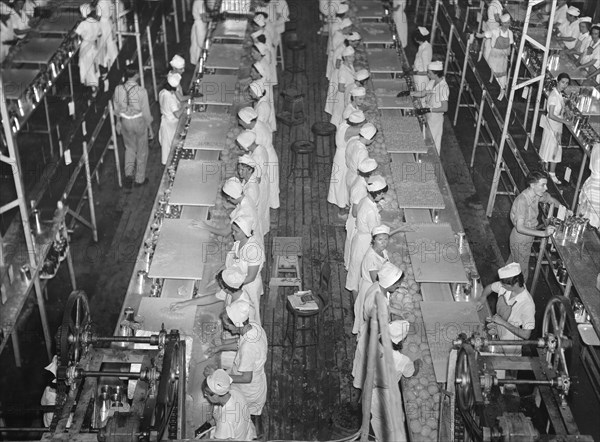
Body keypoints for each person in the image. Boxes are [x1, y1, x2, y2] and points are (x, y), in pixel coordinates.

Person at [207, 301, 268, 433]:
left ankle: (255, 435)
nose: (226, 327)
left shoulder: (249, 348)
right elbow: (240, 342)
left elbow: (246, 378)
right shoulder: (254, 327)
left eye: (227, 324)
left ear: (237, 324)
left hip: (248, 390)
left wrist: (218, 375)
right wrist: (219, 348)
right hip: (255, 381)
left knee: (245, 416)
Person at [352, 262, 404, 390]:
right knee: (368, 375)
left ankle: (360, 398)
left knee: (363, 373)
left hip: (370, 333)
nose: (399, 286)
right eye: (396, 284)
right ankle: (361, 404)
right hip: (372, 341)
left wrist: (395, 311)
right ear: (388, 283)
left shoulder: (377, 287)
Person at [507, 171, 560, 282]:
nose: (546, 188)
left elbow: (550, 200)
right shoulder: (522, 200)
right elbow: (520, 228)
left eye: (546, 184)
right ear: (532, 185)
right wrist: (543, 233)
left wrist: (564, 208)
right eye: (542, 185)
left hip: (528, 237)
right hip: (520, 239)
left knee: (511, 266)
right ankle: (518, 297)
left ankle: (502, 291)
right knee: (521, 275)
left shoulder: (536, 194)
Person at [476, 263, 535, 356]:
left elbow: (526, 334)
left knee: (506, 366)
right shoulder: (505, 287)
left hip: (510, 344)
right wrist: (483, 297)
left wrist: (503, 323)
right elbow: (490, 287)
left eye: (504, 285)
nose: (502, 286)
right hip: (497, 332)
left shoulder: (527, 304)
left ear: (515, 284)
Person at [371, 320, 415, 441]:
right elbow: (410, 373)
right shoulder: (402, 360)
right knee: (395, 427)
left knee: (378, 420)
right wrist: (417, 364)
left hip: (371, 389)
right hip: (387, 393)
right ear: (401, 341)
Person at [346, 175, 388, 296]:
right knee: (357, 278)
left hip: (360, 239)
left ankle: (357, 306)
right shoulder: (370, 210)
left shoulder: (365, 200)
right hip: (364, 243)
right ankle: (357, 308)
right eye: (381, 194)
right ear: (376, 193)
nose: (383, 196)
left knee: (356, 273)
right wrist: (400, 229)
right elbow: (377, 234)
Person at [169, 268, 259, 323]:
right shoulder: (232, 291)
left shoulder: (244, 307)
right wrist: (184, 303)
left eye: (221, 286)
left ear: (225, 288)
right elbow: (212, 298)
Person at [113, 67, 153, 187]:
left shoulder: (118, 89)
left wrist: (118, 122)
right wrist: (150, 127)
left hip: (125, 121)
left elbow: (116, 109)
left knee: (129, 149)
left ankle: (128, 174)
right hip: (139, 121)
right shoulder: (142, 91)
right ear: (136, 75)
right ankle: (139, 179)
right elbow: (146, 112)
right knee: (142, 150)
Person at [197, 176, 262, 243]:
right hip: (254, 234)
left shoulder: (242, 212)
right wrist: (231, 207)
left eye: (229, 198)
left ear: (233, 196)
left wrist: (205, 226)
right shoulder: (246, 197)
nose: (228, 200)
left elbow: (225, 232)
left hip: (250, 242)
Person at [238, 106, 279, 210]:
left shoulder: (259, 134)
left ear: (246, 120)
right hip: (265, 157)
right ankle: (270, 203)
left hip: (267, 160)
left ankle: (272, 204)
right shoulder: (256, 126)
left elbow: (257, 176)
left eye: (240, 120)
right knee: (270, 183)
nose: (239, 122)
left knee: (271, 183)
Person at [226, 215, 265, 323]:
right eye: (232, 230)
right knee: (237, 313)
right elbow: (234, 259)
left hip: (249, 286)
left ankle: (251, 334)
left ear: (245, 231)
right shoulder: (238, 242)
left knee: (249, 315)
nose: (233, 234)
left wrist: (230, 284)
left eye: (236, 231)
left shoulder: (253, 250)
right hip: (238, 283)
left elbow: (251, 277)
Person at [353, 224, 390, 335]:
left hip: (376, 287)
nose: (383, 242)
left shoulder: (382, 251)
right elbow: (376, 280)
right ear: (373, 240)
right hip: (371, 289)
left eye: (386, 239)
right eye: (380, 239)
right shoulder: (371, 258)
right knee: (368, 319)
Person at [201, 369, 257, 440]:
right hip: (247, 435)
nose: (204, 395)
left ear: (215, 395)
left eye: (206, 394)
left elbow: (220, 440)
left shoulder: (225, 421)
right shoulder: (235, 392)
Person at [328, 110, 366, 217]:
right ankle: (341, 210)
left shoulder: (345, 123)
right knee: (341, 184)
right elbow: (365, 130)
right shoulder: (350, 130)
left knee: (342, 183)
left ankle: (343, 205)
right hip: (342, 158)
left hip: (343, 155)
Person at [344, 157, 377, 271]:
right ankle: (349, 269)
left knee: (352, 250)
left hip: (357, 221)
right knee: (354, 253)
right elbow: (355, 213)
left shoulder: (361, 181)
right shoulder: (360, 189)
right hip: (356, 223)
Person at [539, 73, 571, 184]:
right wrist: (565, 121)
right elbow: (552, 114)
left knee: (551, 148)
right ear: (558, 81)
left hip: (556, 126)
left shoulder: (559, 94)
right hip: (552, 126)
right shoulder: (553, 96)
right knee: (554, 150)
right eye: (562, 82)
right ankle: (551, 174)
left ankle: (546, 171)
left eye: (566, 83)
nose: (564, 85)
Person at [236, 131, 270, 235]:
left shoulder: (256, 157)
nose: (240, 147)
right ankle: (263, 230)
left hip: (260, 186)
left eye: (241, 145)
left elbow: (256, 178)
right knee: (262, 211)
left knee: (259, 213)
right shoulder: (260, 148)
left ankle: (259, 233)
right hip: (263, 181)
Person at [411, 61, 449, 153]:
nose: (427, 74)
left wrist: (429, 109)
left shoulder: (443, 87)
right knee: (425, 138)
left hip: (435, 118)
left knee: (433, 142)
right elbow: (423, 93)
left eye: (429, 73)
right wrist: (410, 93)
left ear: (436, 74)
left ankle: (434, 162)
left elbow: (445, 108)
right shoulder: (432, 81)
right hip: (428, 113)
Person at [477, 14, 514, 101]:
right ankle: (487, 97)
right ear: (502, 23)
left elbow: (509, 46)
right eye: (505, 23)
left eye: (508, 23)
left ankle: (500, 99)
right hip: (494, 58)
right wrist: (477, 35)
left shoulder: (510, 33)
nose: (507, 25)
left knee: (502, 81)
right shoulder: (495, 31)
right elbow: (485, 34)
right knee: (492, 79)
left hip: (503, 60)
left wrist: (508, 55)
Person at [75, 4, 102, 97]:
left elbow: (75, 34)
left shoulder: (83, 24)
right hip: (93, 46)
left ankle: (93, 88)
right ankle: (95, 85)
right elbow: (99, 34)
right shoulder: (96, 22)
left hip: (85, 46)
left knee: (86, 66)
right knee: (93, 66)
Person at [345, 122, 377, 199]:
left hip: (349, 174)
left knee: (350, 196)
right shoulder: (362, 152)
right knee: (355, 200)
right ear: (370, 138)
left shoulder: (353, 140)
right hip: (355, 178)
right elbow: (363, 168)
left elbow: (354, 153)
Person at [327, 45, 356, 127]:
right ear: (345, 57)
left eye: (353, 56)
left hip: (347, 95)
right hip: (343, 96)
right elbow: (340, 88)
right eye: (350, 57)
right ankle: (335, 130)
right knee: (339, 114)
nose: (352, 59)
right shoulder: (343, 71)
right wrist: (352, 90)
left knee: (341, 114)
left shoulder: (349, 65)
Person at [158, 72, 183, 165]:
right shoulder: (170, 98)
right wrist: (184, 107)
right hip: (171, 125)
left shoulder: (163, 92)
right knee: (172, 148)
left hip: (165, 122)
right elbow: (177, 114)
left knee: (167, 147)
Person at [577, 143, 600, 229]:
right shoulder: (595, 185)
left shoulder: (589, 182)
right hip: (594, 224)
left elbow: (581, 204)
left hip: (587, 220)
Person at [96, 0, 119, 74]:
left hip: (103, 25)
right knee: (110, 44)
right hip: (109, 24)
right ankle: (113, 62)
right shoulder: (110, 1)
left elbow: (98, 16)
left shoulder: (101, 2)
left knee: (103, 46)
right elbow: (113, 15)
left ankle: (105, 65)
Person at [412, 27, 433, 91]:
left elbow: (427, 71)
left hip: (420, 80)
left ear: (416, 39)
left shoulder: (425, 51)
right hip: (418, 75)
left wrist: (415, 73)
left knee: (420, 98)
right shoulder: (426, 45)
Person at [190, 0, 208, 65]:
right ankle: (199, 64)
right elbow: (204, 18)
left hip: (200, 25)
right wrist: (215, 18)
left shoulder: (199, 1)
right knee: (201, 45)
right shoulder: (200, 2)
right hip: (200, 26)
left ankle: (197, 63)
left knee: (196, 46)